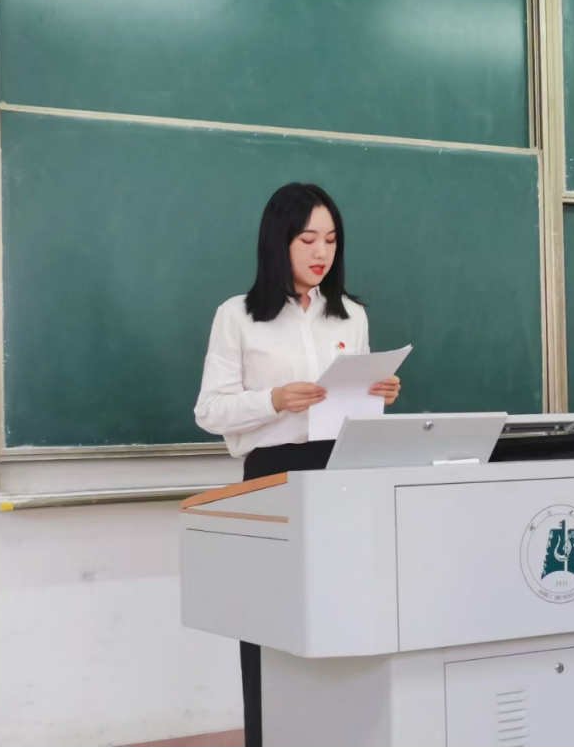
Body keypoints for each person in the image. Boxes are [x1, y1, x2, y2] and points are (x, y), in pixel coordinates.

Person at [193, 182, 401, 747]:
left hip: (341, 475)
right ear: (278, 240)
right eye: (308, 239)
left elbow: (355, 413)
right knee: (270, 619)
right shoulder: (238, 316)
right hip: (273, 477)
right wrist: (275, 400)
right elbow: (208, 411)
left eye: (331, 240)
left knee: (345, 613)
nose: (321, 252)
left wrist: (378, 393)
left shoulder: (350, 316)